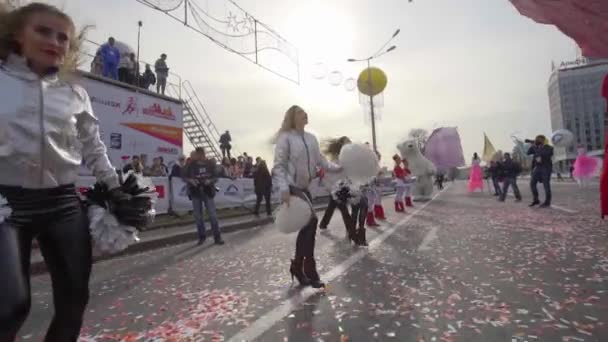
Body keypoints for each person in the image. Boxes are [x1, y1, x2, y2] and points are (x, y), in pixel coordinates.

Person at [0, 3, 137, 340]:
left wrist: (115, 188)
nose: (56, 41)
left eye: (63, 37)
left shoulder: (75, 94)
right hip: (6, 205)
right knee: (11, 306)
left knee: (74, 302)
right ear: (18, 35)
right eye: (43, 31)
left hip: (62, 203)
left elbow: (93, 147)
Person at [272, 105, 341, 288]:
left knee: (307, 225)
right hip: (292, 186)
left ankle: (298, 267)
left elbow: (322, 162)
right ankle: (308, 269)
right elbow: (278, 166)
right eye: (301, 113)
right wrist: (284, 188)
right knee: (311, 221)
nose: (305, 115)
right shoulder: (285, 138)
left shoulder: (311, 138)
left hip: (306, 187)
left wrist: (340, 167)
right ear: (293, 118)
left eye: (305, 113)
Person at [318, 136, 356, 242]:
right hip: (336, 187)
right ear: (341, 145)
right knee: (344, 209)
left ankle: (323, 224)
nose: (349, 144)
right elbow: (331, 171)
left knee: (331, 207)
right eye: (347, 143)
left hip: (341, 187)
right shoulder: (337, 158)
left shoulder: (347, 158)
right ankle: (351, 231)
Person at [183, 147, 224, 245]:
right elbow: (184, 176)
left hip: (208, 191)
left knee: (212, 215)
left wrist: (209, 181)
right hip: (195, 191)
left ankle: (217, 237)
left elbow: (216, 177)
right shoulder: (191, 165)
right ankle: (202, 237)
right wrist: (191, 180)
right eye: (198, 154)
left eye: (200, 154)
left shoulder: (210, 163)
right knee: (198, 216)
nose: (199, 156)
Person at [526, 135, 554, 207]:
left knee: (546, 185)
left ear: (542, 140)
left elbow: (546, 154)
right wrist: (532, 146)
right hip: (537, 167)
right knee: (532, 183)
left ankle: (547, 202)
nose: (536, 140)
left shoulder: (549, 147)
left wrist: (537, 148)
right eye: (535, 139)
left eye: (537, 139)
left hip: (546, 167)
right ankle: (536, 200)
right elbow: (528, 153)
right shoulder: (535, 147)